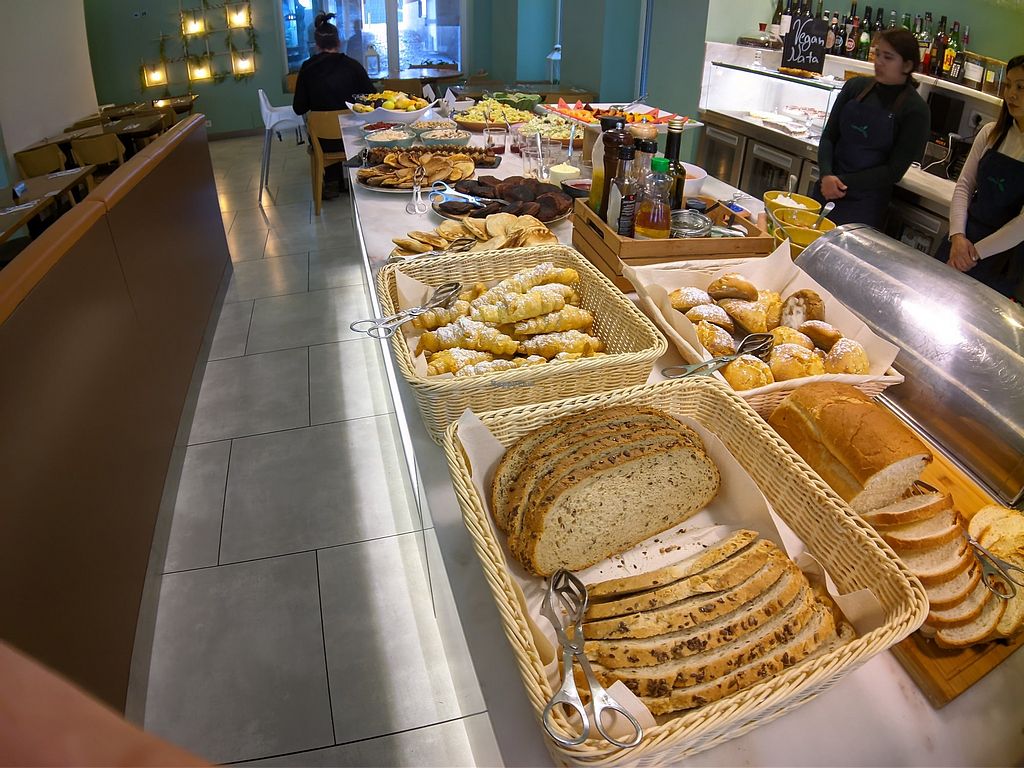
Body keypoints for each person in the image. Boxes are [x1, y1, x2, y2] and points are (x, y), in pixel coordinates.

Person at [814, 28, 930, 228]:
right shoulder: (854, 87)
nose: (879, 62)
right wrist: (826, 174)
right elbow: (828, 136)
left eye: (888, 57)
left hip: (864, 204)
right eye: (878, 54)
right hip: (825, 190)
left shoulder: (916, 110)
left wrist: (840, 182)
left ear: (908, 65)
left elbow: (893, 171)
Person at [937, 55, 1024, 298]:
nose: (1011, 94)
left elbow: (1022, 224)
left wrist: (974, 253)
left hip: (1001, 257)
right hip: (962, 238)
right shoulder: (990, 133)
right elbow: (964, 186)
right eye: (1008, 85)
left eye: (1021, 87)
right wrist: (957, 236)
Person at [293, 12, 374, 197]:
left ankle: (331, 181)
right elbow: (371, 98)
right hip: (354, 139)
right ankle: (356, 178)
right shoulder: (353, 66)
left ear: (317, 44)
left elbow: (299, 108)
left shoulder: (307, 68)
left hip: (322, 143)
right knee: (351, 126)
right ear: (339, 42)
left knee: (325, 129)